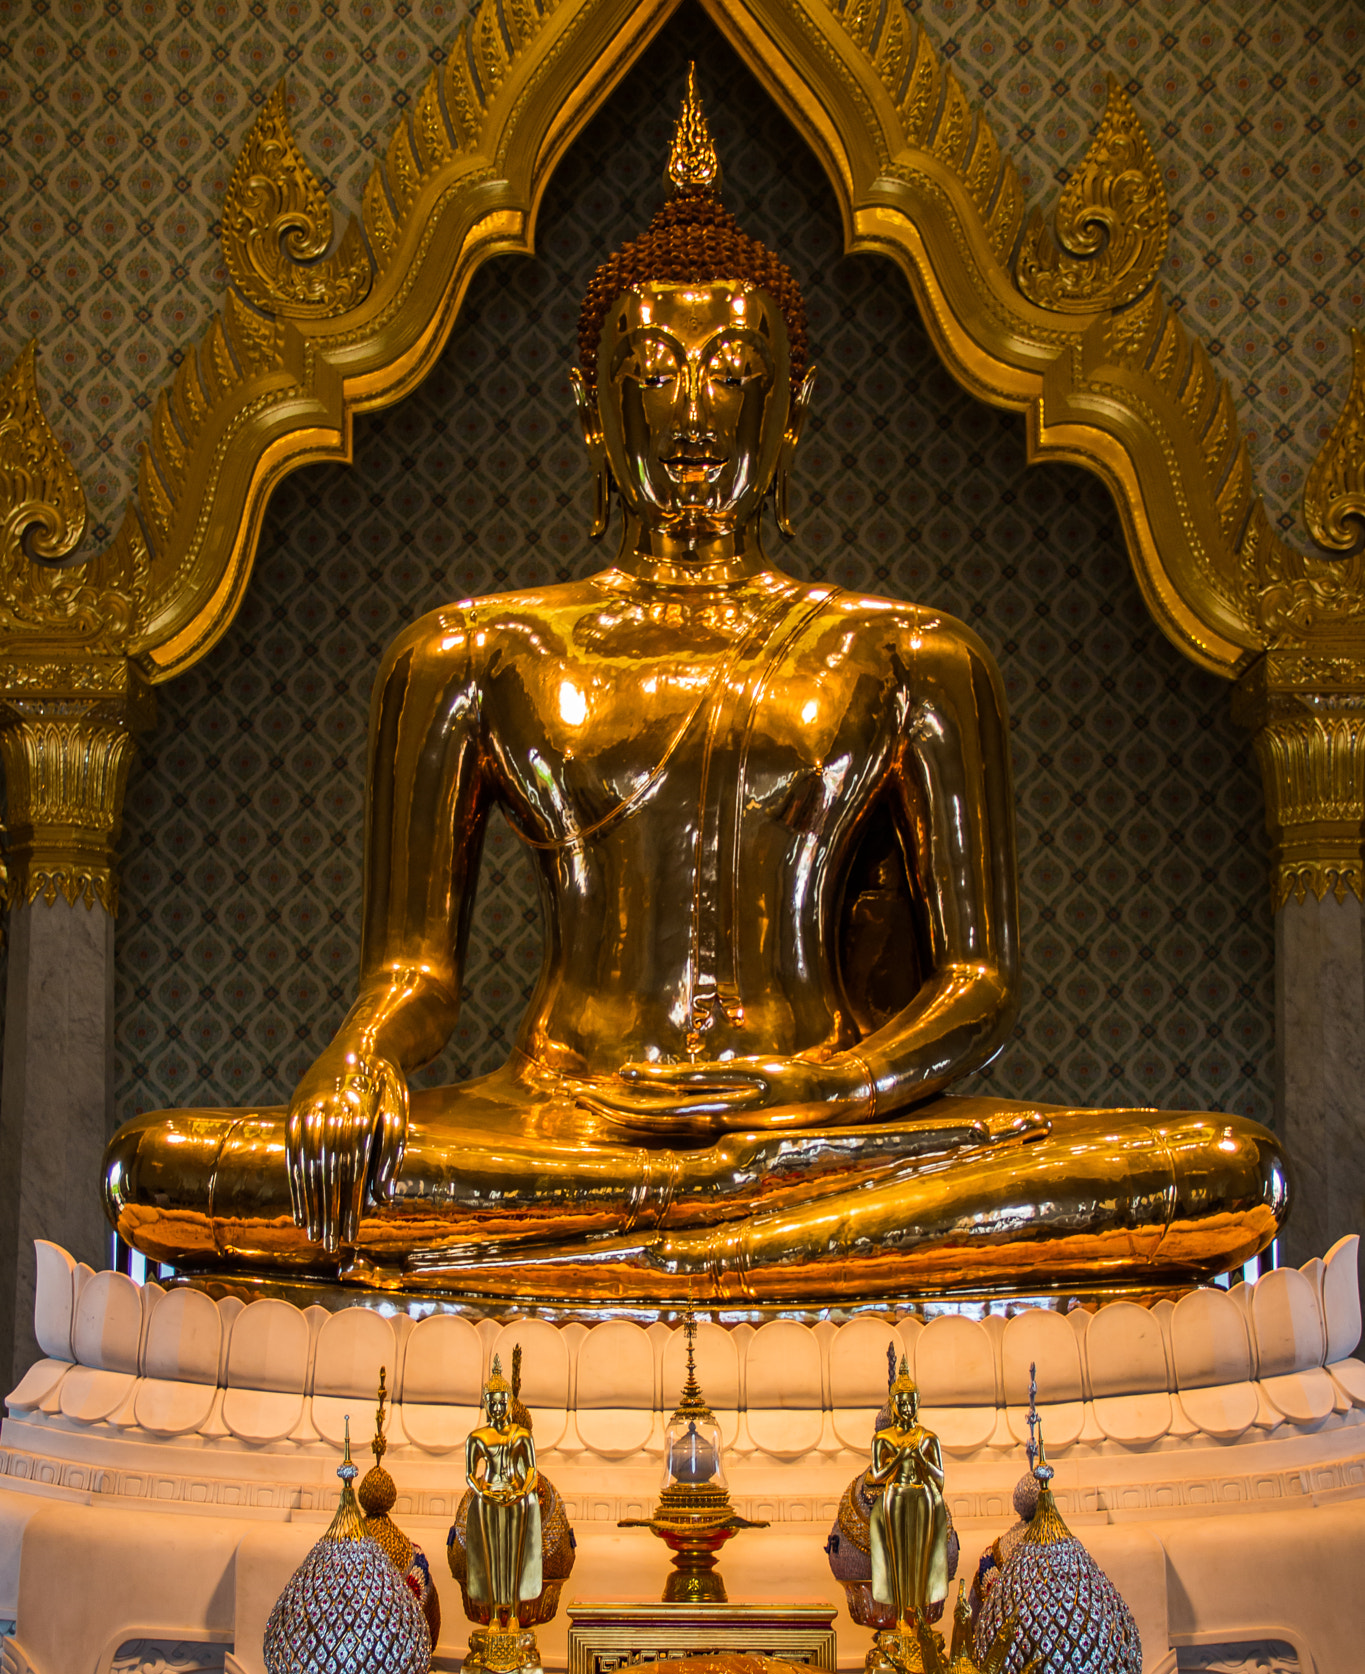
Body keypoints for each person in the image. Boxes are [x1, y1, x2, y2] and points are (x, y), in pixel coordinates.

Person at [104, 72, 1286, 1307]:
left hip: (817, 1125)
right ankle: (715, 1249)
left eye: (730, 367)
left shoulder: (909, 653)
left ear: (793, 403)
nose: (692, 407)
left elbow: (977, 985)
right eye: (653, 365)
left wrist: (821, 1089)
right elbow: (414, 974)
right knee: (163, 1167)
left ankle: (653, 1249)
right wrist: (353, 1066)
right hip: (560, 1126)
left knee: (1218, 1169)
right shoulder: (476, 651)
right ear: (589, 401)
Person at [867, 1363, 950, 1629]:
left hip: (922, 1495)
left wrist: (920, 1460)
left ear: (918, 1403)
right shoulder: (883, 1438)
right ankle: (902, 1614)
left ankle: (920, 1615)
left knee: (922, 1555)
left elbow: (940, 1478)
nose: (906, 1409)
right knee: (898, 1557)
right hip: (895, 1496)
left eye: (911, 1403)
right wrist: (900, 1457)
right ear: (893, 1404)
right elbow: (877, 1476)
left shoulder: (928, 1438)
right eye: (901, 1404)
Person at [464, 1360, 541, 1632]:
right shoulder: (477, 1437)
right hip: (488, 1497)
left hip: (516, 1497)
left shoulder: (522, 1435)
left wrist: (522, 1491)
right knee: (491, 1554)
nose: (497, 1409)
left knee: (515, 1554)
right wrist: (482, 1492)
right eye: (492, 1404)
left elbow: (532, 1470)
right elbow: (470, 1475)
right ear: (486, 1404)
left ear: (509, 1403)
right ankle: (495, 1613)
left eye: (501, 1403)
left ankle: (515, 1614)